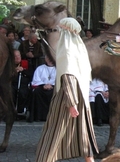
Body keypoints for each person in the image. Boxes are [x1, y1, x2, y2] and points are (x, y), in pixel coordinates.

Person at [36, 17, 98, 162]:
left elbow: (68, 75)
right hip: (79, 97)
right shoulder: (78, 48)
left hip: (68, 98)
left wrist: (71, 103)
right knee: (80, 133)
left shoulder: (67, 48)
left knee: (55, 133)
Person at [29, 55, 56, 122]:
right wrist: (44, 85)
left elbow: (59, 80)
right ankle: (38, 116)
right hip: (41, 87)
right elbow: (35, 80)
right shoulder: (40, 68)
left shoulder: (58, 68)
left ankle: (53, 116)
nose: (49, 60)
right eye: (48, 58)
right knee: (36, 92)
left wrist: (51, 85)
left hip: (54, 87)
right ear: (45, 59)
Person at [11, 49, 32, 114]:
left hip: (24, 84)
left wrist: (23, 70)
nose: (17, 57)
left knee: (23, 93)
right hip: (12, 84)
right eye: (15, 56)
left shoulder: (26, 63)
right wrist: (14, 71)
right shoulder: (9, 65)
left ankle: (21, 110)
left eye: (18, 55)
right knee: (11, 93)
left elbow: (31, 74)